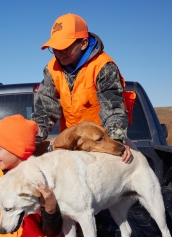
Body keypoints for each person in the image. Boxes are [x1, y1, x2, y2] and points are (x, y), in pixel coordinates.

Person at [31, 13, 134, 163]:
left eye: (64, 47)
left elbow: (113, 110)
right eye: (54, 48)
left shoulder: (103, 66)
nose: (58, 53)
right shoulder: (52, 69)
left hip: (101, 142)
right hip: (71, 143)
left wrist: (116, 142)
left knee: (133, 163)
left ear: (84, 43)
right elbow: (44, 111)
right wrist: (31, 140)